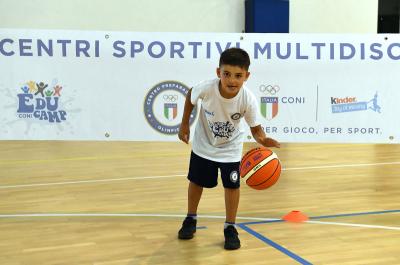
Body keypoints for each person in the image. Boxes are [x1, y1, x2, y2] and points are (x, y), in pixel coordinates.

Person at [177, 47, 280, 250]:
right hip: (203, 144)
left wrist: (263, 139)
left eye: (238, 76)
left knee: (232, 186)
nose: (232, 80)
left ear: (246, 76)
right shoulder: (207, 88)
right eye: (227, 74)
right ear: (218, 73)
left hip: (231, 149)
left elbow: (256, 129)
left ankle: (230, 227)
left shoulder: (247, 99)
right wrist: (183, 124)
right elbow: (190, 95)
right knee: (196, 182)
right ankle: (190, 218)